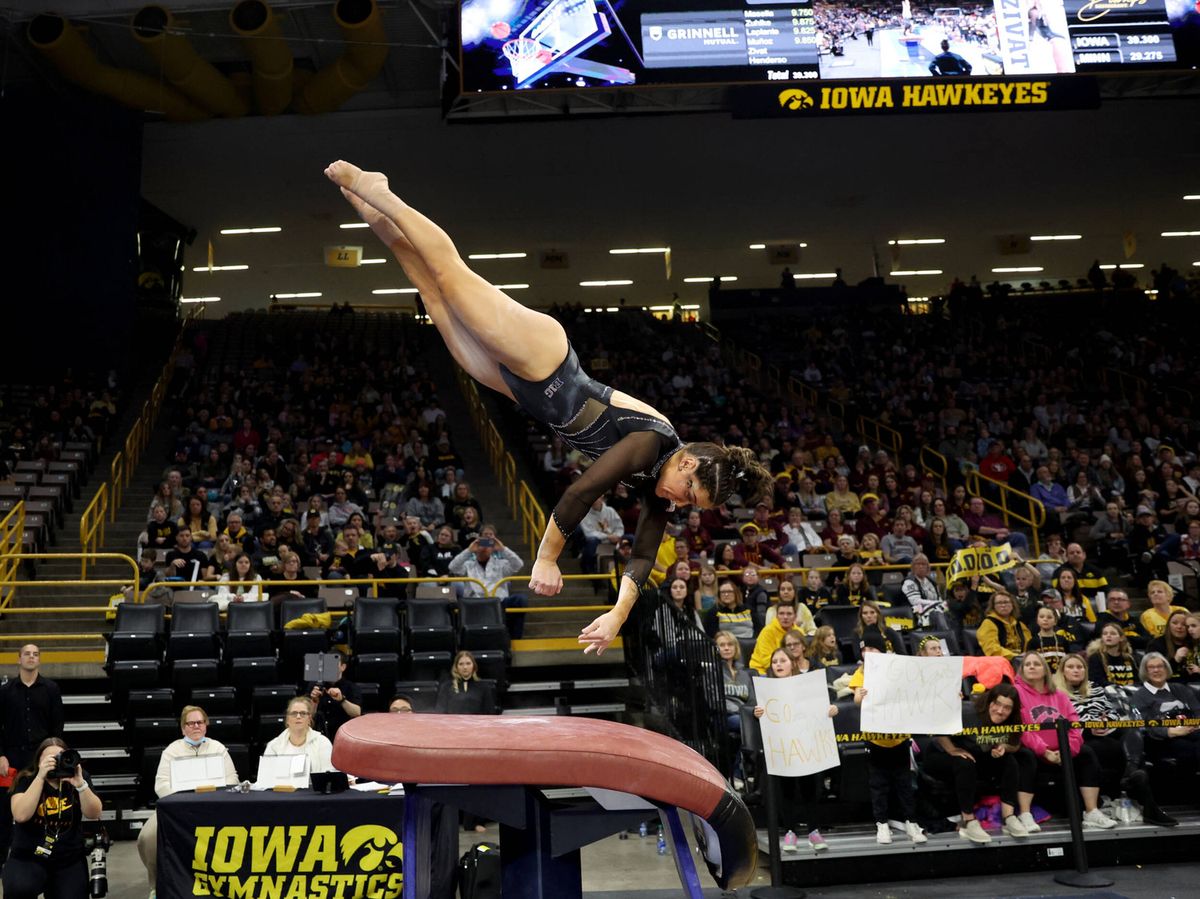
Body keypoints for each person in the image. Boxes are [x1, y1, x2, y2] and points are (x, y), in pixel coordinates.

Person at [326, 159, 772, 660]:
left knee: (430, 292)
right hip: (548, 361)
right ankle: (379, 191)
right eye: (690, 492)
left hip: (520, 390)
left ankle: (371, 212)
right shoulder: (653, 443)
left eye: (692, 505)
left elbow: (644, 555)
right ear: (687, 462)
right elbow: (582, 490)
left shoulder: (661, 488)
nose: (682, 503)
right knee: (452, 278)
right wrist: (547, 560)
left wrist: (617, 614)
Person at [1053, 654, 1177, 827]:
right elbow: (1059, 721)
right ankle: (1148, 804)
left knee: (1130, 729)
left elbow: (1112, 712)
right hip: (1081, 739)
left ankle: (1131, 772)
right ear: (1062, 671)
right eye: (1071, 667)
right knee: (1109, 749)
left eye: (1080, 667)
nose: (1076, 670)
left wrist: (1106, 721)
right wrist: (1088, 728)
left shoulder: (1094, 688)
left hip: (1106, 732)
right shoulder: (1056, 693)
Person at [137, 707, 239, 890]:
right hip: (176, 809)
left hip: (213, 806)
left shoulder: (218, 748)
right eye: (190, 723)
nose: (196, 726)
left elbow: (232, 779)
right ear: (183, 729)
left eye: (200, 722)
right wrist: (180, 803)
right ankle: (155, 887)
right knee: (147, 837)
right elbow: (161, 785)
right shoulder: (172, 751)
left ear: (206, 726)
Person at [922, 682, 1037, 842]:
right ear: (990, 701)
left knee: (1010, 760)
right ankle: (969, 820)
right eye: (997, 704)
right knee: (964, 762)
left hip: (976, 754)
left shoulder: (1014, 720)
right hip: (939, 755)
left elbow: (1015, 744)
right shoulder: (968, 711)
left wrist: (1003, 747)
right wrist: (952, 749)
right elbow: (938, 727)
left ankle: (1008, 817)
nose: (1000, 711)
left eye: (1007, 707)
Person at [1014, 652, 1117, 829]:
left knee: (1087, 752)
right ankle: (1025, 813)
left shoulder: (1059, 695)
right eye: (1027, 664)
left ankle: (1091, 811)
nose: (1032, 667)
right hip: (1035, 750)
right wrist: (1045, 751)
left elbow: (1074, 726)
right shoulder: (1016, 692)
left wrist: (1066, 750)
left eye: (1037, 664)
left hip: (1062, 751)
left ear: (1045, 670)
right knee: (1025, 756)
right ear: (1021, 670)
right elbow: (1021, 728)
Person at [752, 649, 839, 851]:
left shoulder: (807, 685)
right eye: (774, 662)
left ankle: (813, 831)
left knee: (810, 788)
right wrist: (758, 714)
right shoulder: (767, 691)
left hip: (807, 746)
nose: (778, 665)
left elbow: (822, 707)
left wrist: (832, 710)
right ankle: (790, 831)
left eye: (782, 660)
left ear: (792, 663)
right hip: (784, 748)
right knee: (786, 791)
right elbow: (763, 720)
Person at [850, 632, 927, 845]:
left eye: (873, 649)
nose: (868, 653)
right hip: (875, 740)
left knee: (904, 782)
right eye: (864, 650)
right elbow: (856, 699)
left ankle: (912, 822)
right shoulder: (861, 673)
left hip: (899, 738)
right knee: (878, 784)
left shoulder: (896, 670)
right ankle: (882, 825)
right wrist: (861, 696)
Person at [3, 738, 102, 899]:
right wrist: (40, 778)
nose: (56, 763)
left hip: (68, 858)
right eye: (50, 759)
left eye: (60, 757)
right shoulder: (26, 778)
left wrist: (81, 785)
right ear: (39, 762)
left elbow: (94, 813)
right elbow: (20, 815)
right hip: (29, 856)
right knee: (19, 889)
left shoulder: (79, 778)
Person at [1130, 652, 1200, 796]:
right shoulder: (1140, 696)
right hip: (1161, 738)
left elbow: (1197, 710)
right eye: (1151, 667)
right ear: (1145, 671)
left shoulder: (1180, 689)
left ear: (1166, 669)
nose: (1156, 670)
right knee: (1188, 748)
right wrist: (1171, 731)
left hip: (1191, 730)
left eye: (1160, 666)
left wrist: (1196, 724)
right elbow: (1141, 724)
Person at [263, 696, 334, 780]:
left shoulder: (322, 742)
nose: (298, 716)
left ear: (309, 718)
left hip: (313, 792)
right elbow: (265, 778)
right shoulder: (274, 745)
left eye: (303, 713)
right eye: (294, 713)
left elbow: (329, 775)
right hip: (281, 791)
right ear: (287, 719)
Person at [306, 653, 363, 738]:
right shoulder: (314, 686)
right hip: (318, 734)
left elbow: (356, 713)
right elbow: (307, 715)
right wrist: (314, 701)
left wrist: (342, 700)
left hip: (342, 734)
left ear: (343, 667)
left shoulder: (351, 687)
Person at [749, 598, 807, 675]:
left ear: (795, 616)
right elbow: (766, 661)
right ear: (776, 616)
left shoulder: (799, 632)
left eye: (789, 614)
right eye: (781, 614)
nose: (785, 617)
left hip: (792, 671)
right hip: (763, 672)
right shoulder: (767, 632)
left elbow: (804, 655)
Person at [1146, 610, 1195, 681]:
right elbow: (1153, 673)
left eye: (1184, 624)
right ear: (1168, 625)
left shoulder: (1194, 644)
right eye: (1175, 623)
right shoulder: (1156, 644)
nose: (1179, 627)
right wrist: (1175, 660)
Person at [1087, 622, 1137, 687]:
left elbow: (1137, 680)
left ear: (1121, 638)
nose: (1108, 636)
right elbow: (1097, 681)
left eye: (1113, 633)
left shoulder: (1129, 658)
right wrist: (1119, 687)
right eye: (1105, 634)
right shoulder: (1096, 658)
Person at [901, 554, 944, 627]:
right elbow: (915, 601)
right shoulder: (909, 582)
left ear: (928, 567)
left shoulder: (931, 581)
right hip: (918, 612)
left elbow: (939, 597)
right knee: (938, 615)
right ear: (913, 567)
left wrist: (941, 604)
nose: (921, 566)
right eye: (918, 564)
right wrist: (935, 603)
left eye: (923, 564)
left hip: (935, 609)